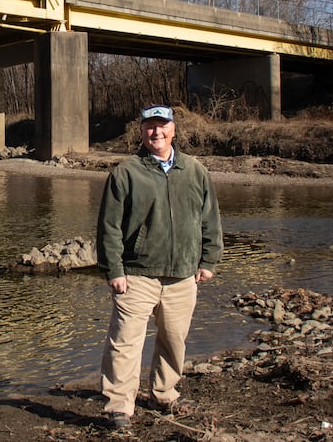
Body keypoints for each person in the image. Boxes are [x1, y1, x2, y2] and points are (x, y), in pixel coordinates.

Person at [96, 104, 223, 430]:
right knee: (125, 344)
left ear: (173, 129)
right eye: (150, 126)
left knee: (173, 340)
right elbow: (109, 227)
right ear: (141, 131)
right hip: (136, 275)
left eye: (162, 125)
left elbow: (210, 218)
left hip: (183, 275)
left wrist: (208, 260)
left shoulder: (195, 170)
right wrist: (114, 270)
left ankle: (164, 395)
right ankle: (118, 407)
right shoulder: (125, 172)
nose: (157, 132)